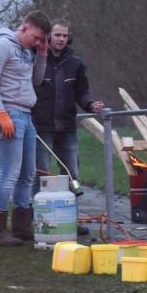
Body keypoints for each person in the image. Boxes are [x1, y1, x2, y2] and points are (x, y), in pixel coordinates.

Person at [0, 11, 50, 245]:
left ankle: (21, 227)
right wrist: (1, 113)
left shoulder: (28, 52)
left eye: (41, 40)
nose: (37, 42)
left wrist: (42, 55)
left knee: (28, 173)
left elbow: (36, 81)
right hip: (8, 113)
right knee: (10, 172)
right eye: (36, 38)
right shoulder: (1, 46)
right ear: (24, 28)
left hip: (26, 115)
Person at [32, 20, 104, 188]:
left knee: (73, 173)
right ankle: (38, 204)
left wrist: (91, 104)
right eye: (57, 35)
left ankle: (72, 203)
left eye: (65, 35)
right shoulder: (35, 61)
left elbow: (82, 92)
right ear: (48, 36)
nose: (61, 39)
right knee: (41, 173)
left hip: (67, 127)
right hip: (41, 128)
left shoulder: (76, 64)